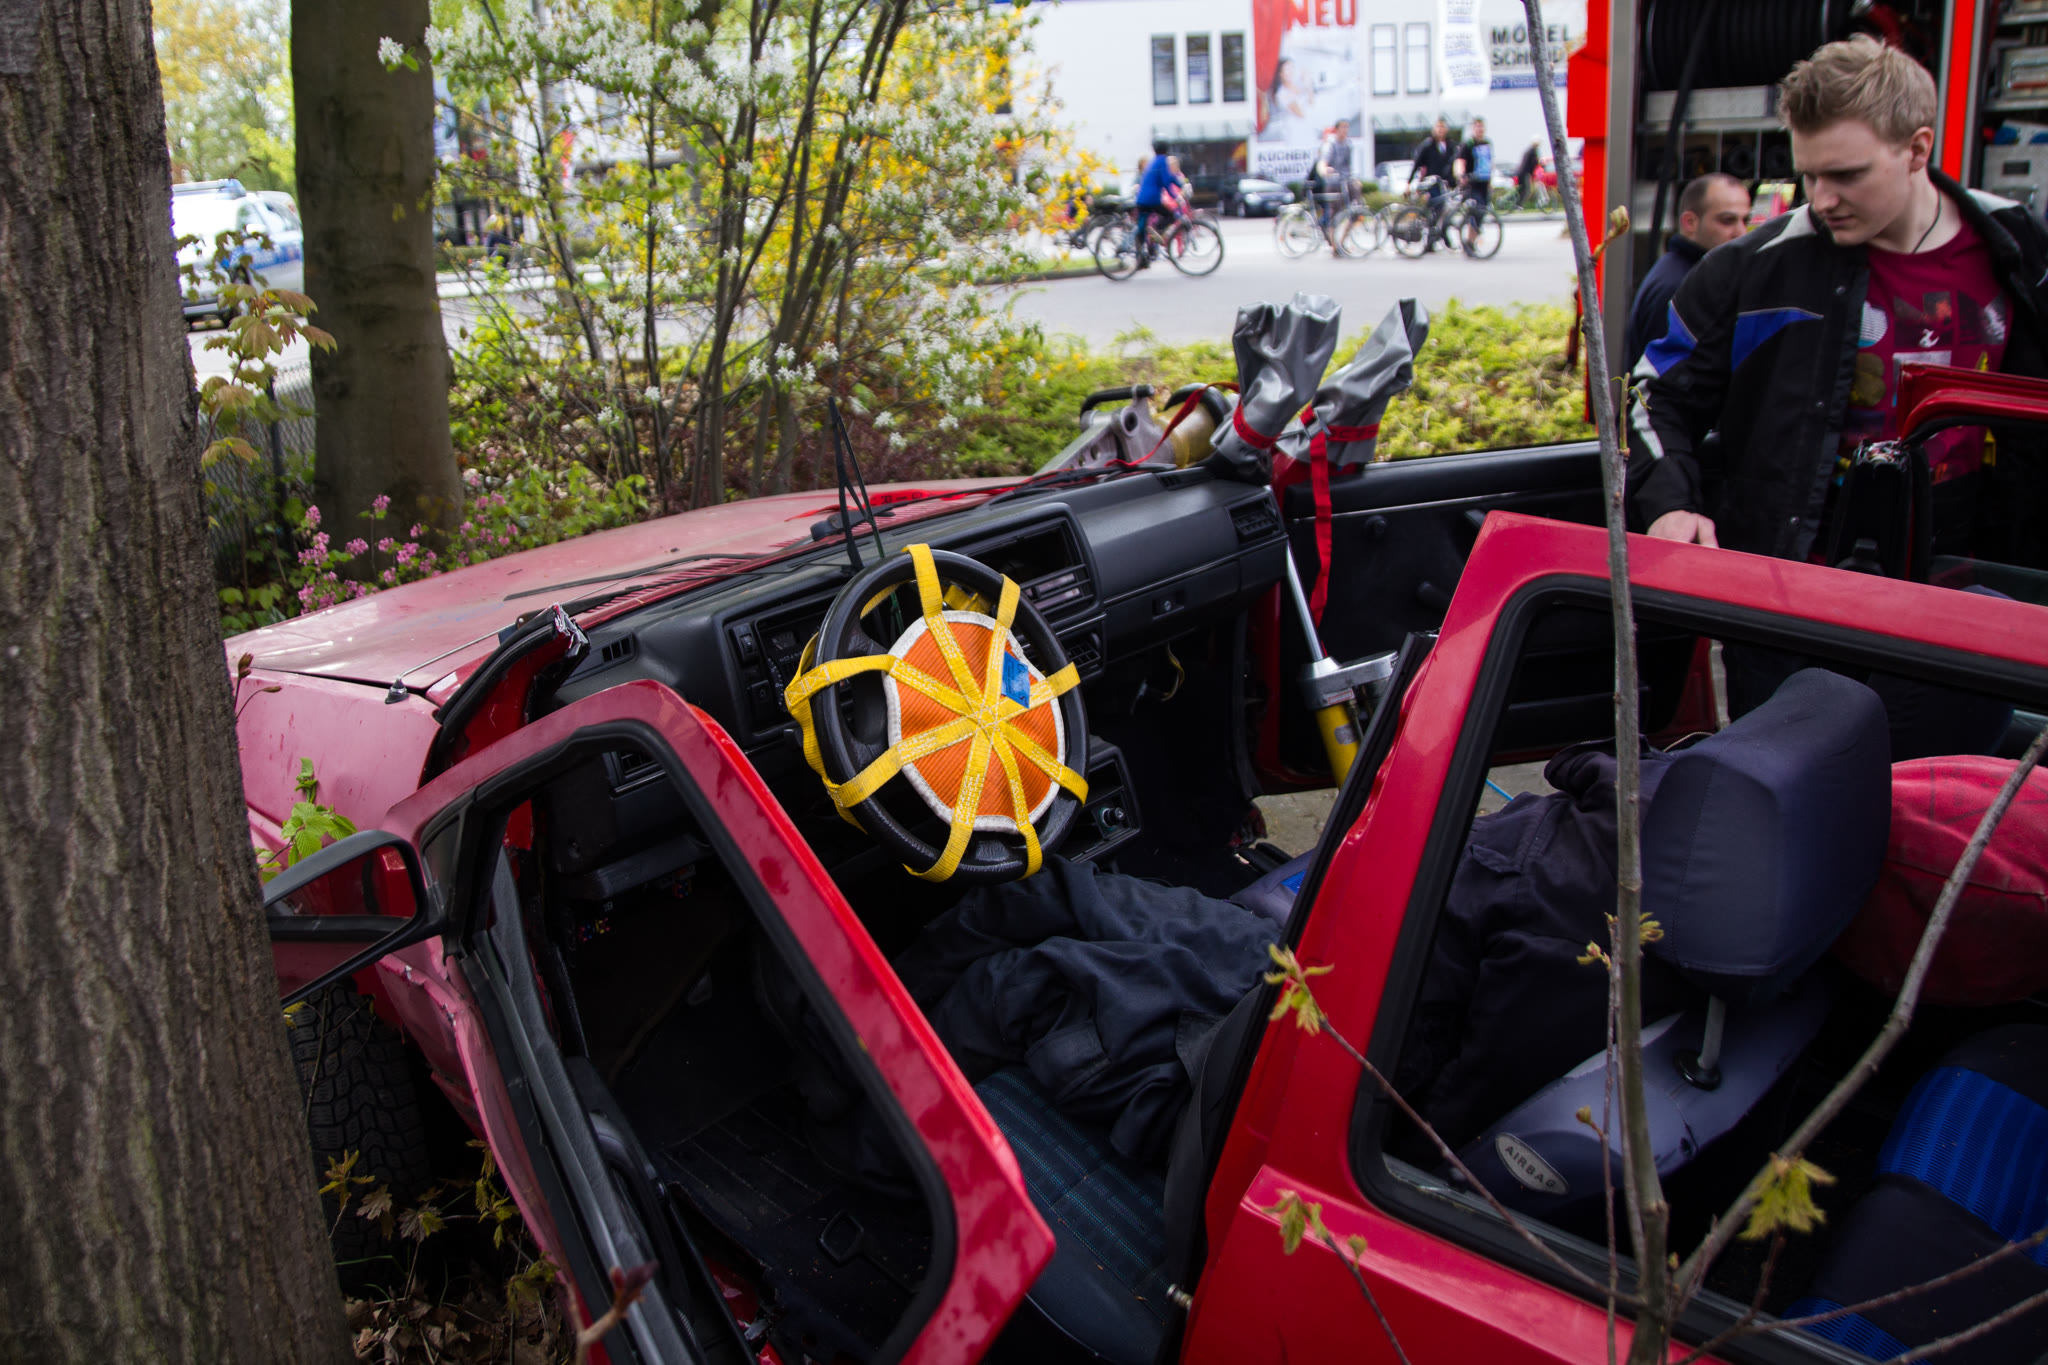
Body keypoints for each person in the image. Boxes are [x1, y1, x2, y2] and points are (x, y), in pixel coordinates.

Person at [1627, 36, 2048, 718]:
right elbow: (1649, 395)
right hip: (1795, 607)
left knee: (1947, 777)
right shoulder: (1755, 267)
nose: (1822, 199)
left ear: (1917, 149)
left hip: (1972, 599)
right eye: (1809, 176)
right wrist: (1671, 504)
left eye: (1847, 175)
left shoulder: (2016, 243)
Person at [1625, 173, 1752, 369]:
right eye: (1727, 220)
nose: (1741, 232)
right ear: (1690, 222)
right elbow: (1665, 374)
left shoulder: (1687, 272)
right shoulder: (1679, 284)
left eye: (1745, 220)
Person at [1409, 118, 1458, 252]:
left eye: (1443, 127)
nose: (1440, 130)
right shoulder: (1428, 145)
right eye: (1438, 127)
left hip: (1445, 184)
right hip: (1431, 183)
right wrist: (1409, 182)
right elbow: (1417, 164)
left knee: (1445, 212)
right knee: (1436, 210)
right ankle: (1434, 240)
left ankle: (1438, 238)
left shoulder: (1451, 146)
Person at [1133, 139, 1176, 268]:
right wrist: (1176, 196)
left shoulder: (1154, 161)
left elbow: (1169, 177)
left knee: (1141, 229)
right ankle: (1155, 233)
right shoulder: (1162, 161)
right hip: (1151, 200)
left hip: (1142, 200)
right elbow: (1167, 181)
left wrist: (1180, 183)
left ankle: (1142, 260)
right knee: (1170, 216)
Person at [1311, 120, 1353, 231]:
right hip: (1323, 183)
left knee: (1338, 210)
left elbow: (1347, 166)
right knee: (1330, 213)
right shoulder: (1329, 145)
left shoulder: (1347, 145)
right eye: (1343, 127)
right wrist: (1324, 170)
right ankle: (1324, 228)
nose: (1345, 130)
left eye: (1347, 127)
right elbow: (1322, 164)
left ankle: (1329, 230)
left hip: (1337, 181)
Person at [1514, 139, 1542, 207]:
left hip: (1521, 172)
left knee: (1521, 189)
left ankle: (1516, 204)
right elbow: (1533, 163)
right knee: (1527, 190)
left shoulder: (1529, 151)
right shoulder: (1533, 152)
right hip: (1525, 173)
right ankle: (1518, 205)